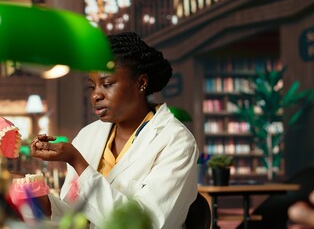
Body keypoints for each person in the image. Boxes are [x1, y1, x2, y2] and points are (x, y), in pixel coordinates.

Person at [30, 32, 199, 229]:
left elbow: (148, 224)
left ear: (141, 83)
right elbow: (77, 219)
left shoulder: (176, 141)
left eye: (107, 84)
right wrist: (39, 197)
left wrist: (77, 162)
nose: (95, 96)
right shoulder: (87, 136)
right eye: (92, 86)